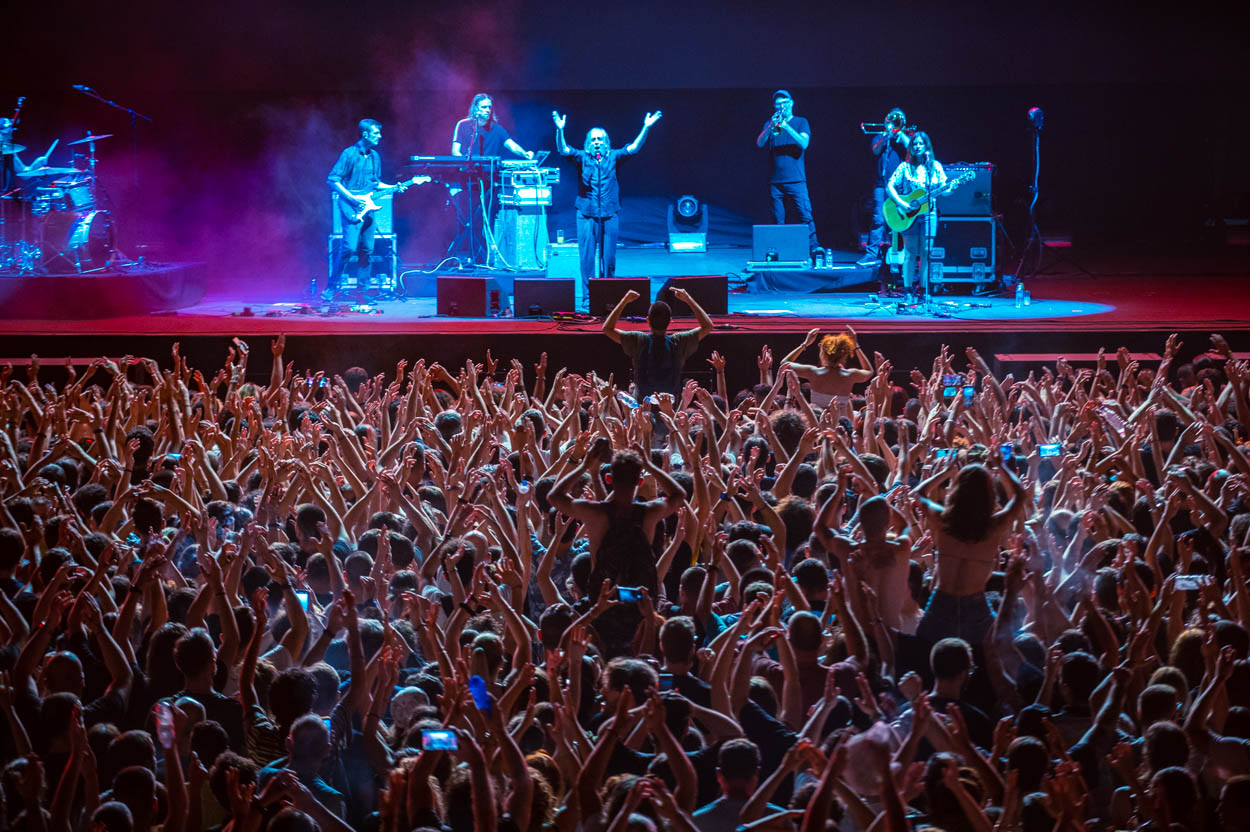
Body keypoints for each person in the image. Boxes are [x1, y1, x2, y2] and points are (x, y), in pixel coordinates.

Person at [914, 454, 1026, 646]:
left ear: (956, 491)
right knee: (987, 661)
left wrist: (945, 473)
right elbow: (1020, 496)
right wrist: (1001, 467)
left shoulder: (942, 520)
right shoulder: (993, 527)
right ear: (989, 496)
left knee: (927, 657)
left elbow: (918, 493)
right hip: (976, 607)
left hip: (941, 603)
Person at [553, 109, 662, 304]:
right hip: (586, 214)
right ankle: (588, 296)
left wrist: (646, 127)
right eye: (593, 139)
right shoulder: (582, 157)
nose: (597, 142)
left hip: (609, 213)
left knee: (608, 258)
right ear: (588, 144)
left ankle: (608, 293)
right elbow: (563, 150)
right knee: (587, 258)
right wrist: (560, 130)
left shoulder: (614, 156)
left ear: (606, 143)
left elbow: (634, 148)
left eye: (600, 139)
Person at [451, 94, 534, 264]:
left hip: (489, 183)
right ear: (475, 108)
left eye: (489, 107)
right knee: (468, 221)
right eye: (484, 107)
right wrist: (467, 164)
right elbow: (455, 151)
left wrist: (526, 154)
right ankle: (463, 257)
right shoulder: (463, 126)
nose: (488, 110)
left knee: (483, 221)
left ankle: (484, 259)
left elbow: (511, 145)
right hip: (468, 182)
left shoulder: (497, 129)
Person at [324, 119, 396, 303]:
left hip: (368, 208)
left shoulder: (375, 156)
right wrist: (352, 198)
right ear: (365, 134)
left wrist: (394, 187)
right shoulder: (349, 154)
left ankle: (362, 293)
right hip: (351, 206)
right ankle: (330, 288)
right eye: (376, 133)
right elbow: (332, 180)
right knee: (348, 248)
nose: (380, 136)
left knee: (367, 250)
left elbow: (375, 183)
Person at [602, 287, 715, 402]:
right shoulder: (679, 341)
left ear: (647, 320)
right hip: (670, 409)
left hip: (642, 409)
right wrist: (688, 299)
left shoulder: (637, 340)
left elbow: (607, 328)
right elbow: (707, 326)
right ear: (670, 322)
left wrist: (624, 300)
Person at [755, 90, 819, 257]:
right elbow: (760, 143)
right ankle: (779, 250)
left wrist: (786, 127)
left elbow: (804, 143)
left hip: (796, 179)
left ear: (791, 103)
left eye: (784, 103)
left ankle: (814, 247)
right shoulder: (770, 123)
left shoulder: (800, 122)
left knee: (805, 215)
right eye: (778, 104)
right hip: (775, 181)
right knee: (777, 219)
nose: (781, 106)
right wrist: (771, 126)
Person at [886, 130, 946, 300]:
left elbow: (944, 190)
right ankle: (907, 290)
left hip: (929, 213)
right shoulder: (904, 167)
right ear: (911, 148)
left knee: (927, 251)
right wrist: (902, 203)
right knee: (910, 251)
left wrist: (950, 189)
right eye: (915, 144)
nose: (918, 147)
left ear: (927, 146)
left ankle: (924, 289)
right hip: (908, 215)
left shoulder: (934, 167)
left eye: (921, 144)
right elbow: (889, 186)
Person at [859, 108, 911, 276]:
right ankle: (871, 254)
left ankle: (903, 255)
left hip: (901, 186)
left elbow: (911, 148)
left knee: (901, 220)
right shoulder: (881, 136)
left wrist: (900, 132)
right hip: (881, 184)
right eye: (890, 120)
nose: (893, 123)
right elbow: (875, 150)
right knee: (878, 219)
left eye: (896, 121)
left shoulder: (906, 136)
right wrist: (886, 135)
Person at [778, 326, 874, 415]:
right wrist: (856, 346)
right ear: (844, 355)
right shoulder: (850, 375)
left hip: (818, 423)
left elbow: (784, 363)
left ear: (823, 354)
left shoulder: (814, 373)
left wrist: (805, 344)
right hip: (840, 425)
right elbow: (869, 371)